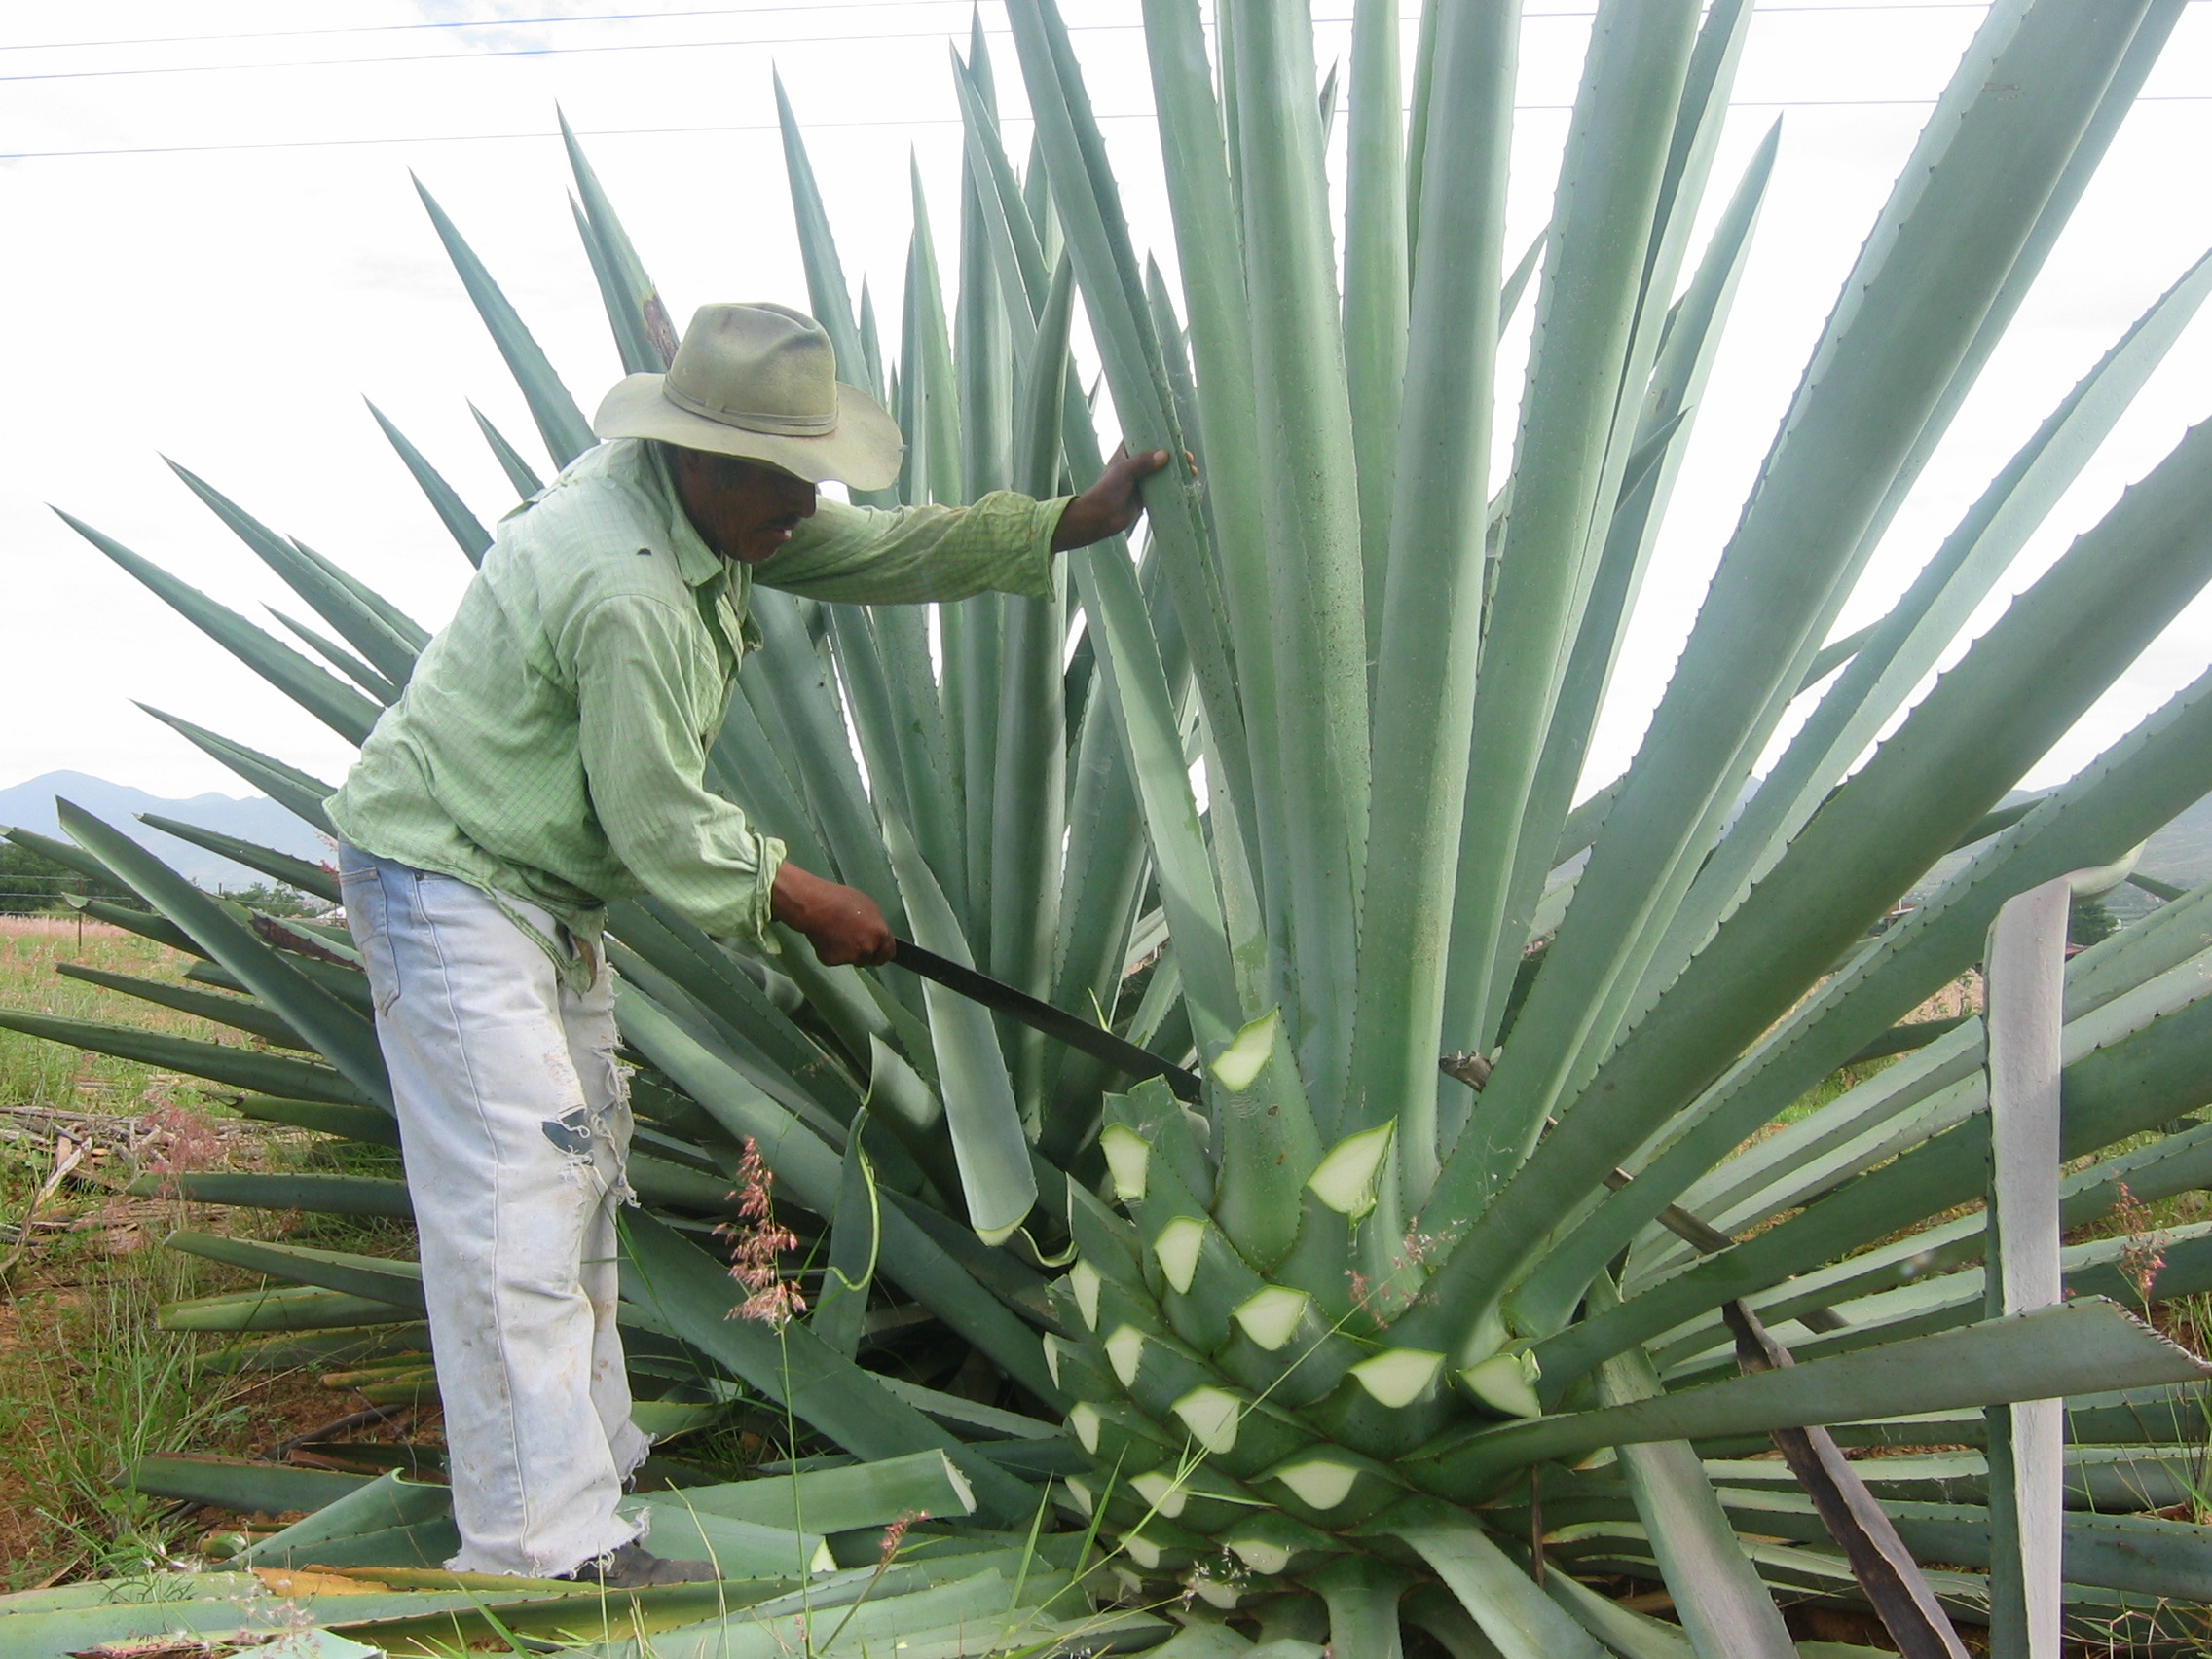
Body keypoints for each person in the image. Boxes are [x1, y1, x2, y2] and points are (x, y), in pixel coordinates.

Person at [327, 302, 1166, 1585]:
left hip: (535, 888)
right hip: (446, 883)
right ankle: (538, 1549)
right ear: (705, 463)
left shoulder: (697, 500)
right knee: (515, 1200)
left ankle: (588, 1482)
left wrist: (1056, 524)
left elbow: (862, 548)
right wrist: (808, 897)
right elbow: (661, 825)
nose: (805, 512)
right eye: (787, 486)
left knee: (579, 1164)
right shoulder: (631, 593)